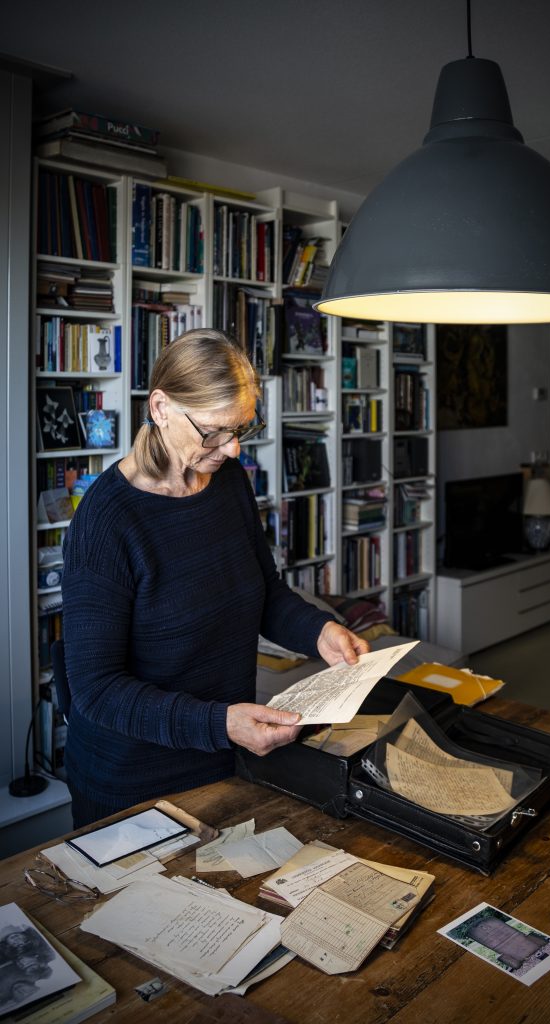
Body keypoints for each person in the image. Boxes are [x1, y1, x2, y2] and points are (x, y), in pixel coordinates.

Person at [61, 329, 369, 827]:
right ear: (160, 408)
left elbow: (263, 593)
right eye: (214, 432)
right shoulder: (105, 523)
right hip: (132, 783)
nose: (230, 451)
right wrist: (220, 723)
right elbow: (97, 690)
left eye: (241, 430)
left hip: (224, 758)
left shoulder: (226, 483)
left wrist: (320, 631)